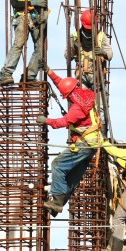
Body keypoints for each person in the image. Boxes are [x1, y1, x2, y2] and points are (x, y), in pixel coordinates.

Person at [37, 68, 101, 215]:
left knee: (57, 165)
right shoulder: (84, 94)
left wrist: (45, 120)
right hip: (91, 145)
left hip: (84, 144)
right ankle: (58, 204)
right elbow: (63, 84)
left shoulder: (78, 108)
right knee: (72, 177)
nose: (67, 99)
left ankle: (57, 201)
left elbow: (63, 122)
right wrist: (48, 71)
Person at [0, 0, 46, 85]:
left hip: (36, 16)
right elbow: (15, 3)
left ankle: (30, 76)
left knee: (40, 47)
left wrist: (41, 8)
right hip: (21, 16)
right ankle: (6, 73)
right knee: (19, 44)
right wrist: (33, 2)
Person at [66, 8, 113, 90]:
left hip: (97, 76)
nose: (89, 30)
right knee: (83, 100)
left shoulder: (101, 36)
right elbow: (68, 56)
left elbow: (110, 54)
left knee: (99, 101)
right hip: (81, 76)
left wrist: (103, 53)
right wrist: (73, 48)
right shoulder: (75, 36)